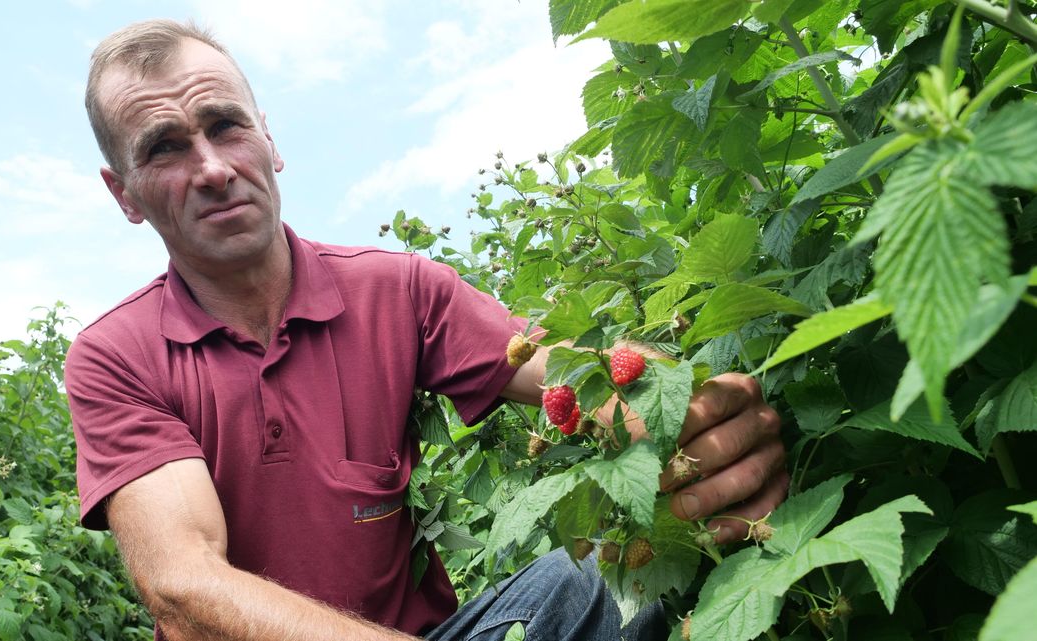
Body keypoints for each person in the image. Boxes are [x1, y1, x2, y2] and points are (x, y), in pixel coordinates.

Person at [65, 19, 788, 641]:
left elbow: (566, 375)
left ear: (269, 140)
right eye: (165, 148)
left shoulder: (396, 289)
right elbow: (184, 586)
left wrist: (683, 418)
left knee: (595, 582)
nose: (214, 168)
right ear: (123, 192)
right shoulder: (116, 355)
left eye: (226, 125)